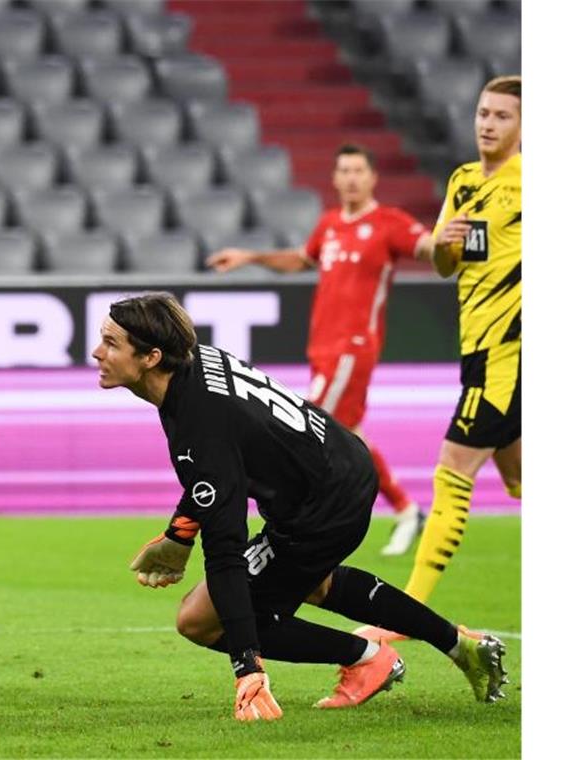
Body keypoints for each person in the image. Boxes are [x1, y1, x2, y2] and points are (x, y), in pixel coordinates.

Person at [93, 293, 507, 721]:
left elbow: (225, 553)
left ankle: (367, 658)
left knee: (199, 619)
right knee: (314, 582)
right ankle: (461, 646)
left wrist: (247, 669)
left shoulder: (201, 420)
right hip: (343, 463)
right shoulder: (192, 363)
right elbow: (214, 475)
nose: (97, 351)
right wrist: (179, 535)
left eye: (110, 343)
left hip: (322, 504)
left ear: (150, 357)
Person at [206, 145, 434, 556]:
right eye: (343, 170)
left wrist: (457, 239)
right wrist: (250, 257)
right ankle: (406, 510)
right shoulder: (329, 224)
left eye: (358, 170)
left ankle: (297, 521)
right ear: (334, 178)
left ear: (372, 178)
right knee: (349, 435)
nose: (350, 177)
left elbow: (429, 247)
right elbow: (300, 260)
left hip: (353, 348)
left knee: (305, 428)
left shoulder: (388, 223)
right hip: (323, 348)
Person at [391, 75, 522, 606]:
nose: (488, 124)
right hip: (475, 346)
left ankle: (405, 610)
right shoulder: (463, 180)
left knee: (452, 468)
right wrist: (444, 243)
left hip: (507, 352)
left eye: (502, 116)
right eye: (483, 114)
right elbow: (447, 265)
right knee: (520, 478)